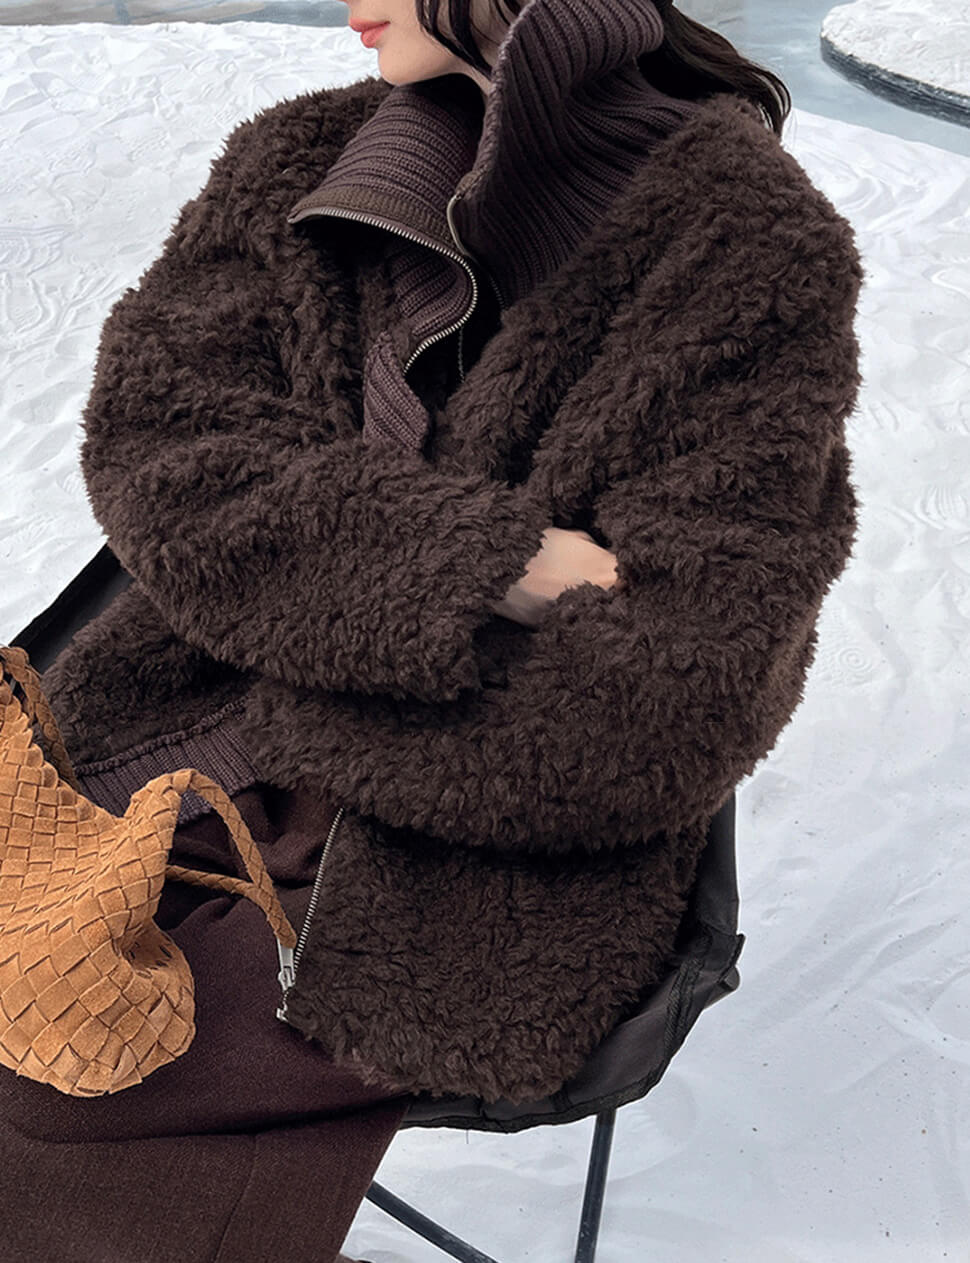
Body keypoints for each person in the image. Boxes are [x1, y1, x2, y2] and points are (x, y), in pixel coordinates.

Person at [0, 0, 864, 1259]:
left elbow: (679, 687)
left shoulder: (744, 242)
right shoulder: (299, 162)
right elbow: (165, 457)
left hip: (477, 866)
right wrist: (502, 564)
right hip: (173, 731)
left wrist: (306, 640)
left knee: (73, 1071)